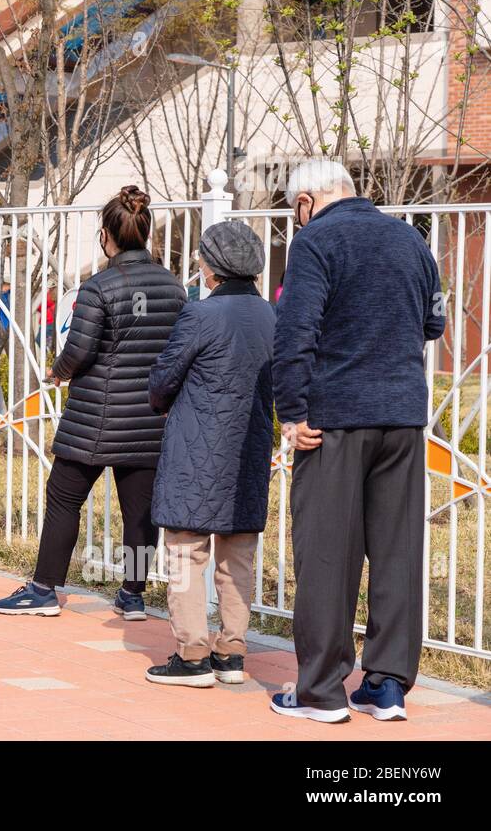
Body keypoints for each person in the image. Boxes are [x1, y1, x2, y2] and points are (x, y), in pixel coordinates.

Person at [270, 160, 445, 724]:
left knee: (326, 553)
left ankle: (321, 691)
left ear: (304, 202)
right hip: (402, 418)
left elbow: (295, 331)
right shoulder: (410, 239)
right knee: (396, 552)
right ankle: (387, 685)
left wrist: (292, 412)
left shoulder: (315, 242)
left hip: (335, 420)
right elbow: (434, 324)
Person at [0, 186, 185, 619]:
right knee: (140, 513)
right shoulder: (173, 288)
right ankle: (132, 594)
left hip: (95, 418)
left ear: (105, 236)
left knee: (63, 497)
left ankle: (43, 590)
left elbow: (79, 351)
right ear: (146, 231)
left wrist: (57, 371)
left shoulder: (98, 288)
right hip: (149, 418)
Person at [143, 221, 275, 688]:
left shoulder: (200, 316)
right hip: (250, 449)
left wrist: (160, 399)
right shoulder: (271, 316)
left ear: (212, 267)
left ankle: (193, 653)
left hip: (196, 450)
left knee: (185, 551)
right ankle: (233, 652)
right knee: (237, 554)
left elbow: (163, 380)